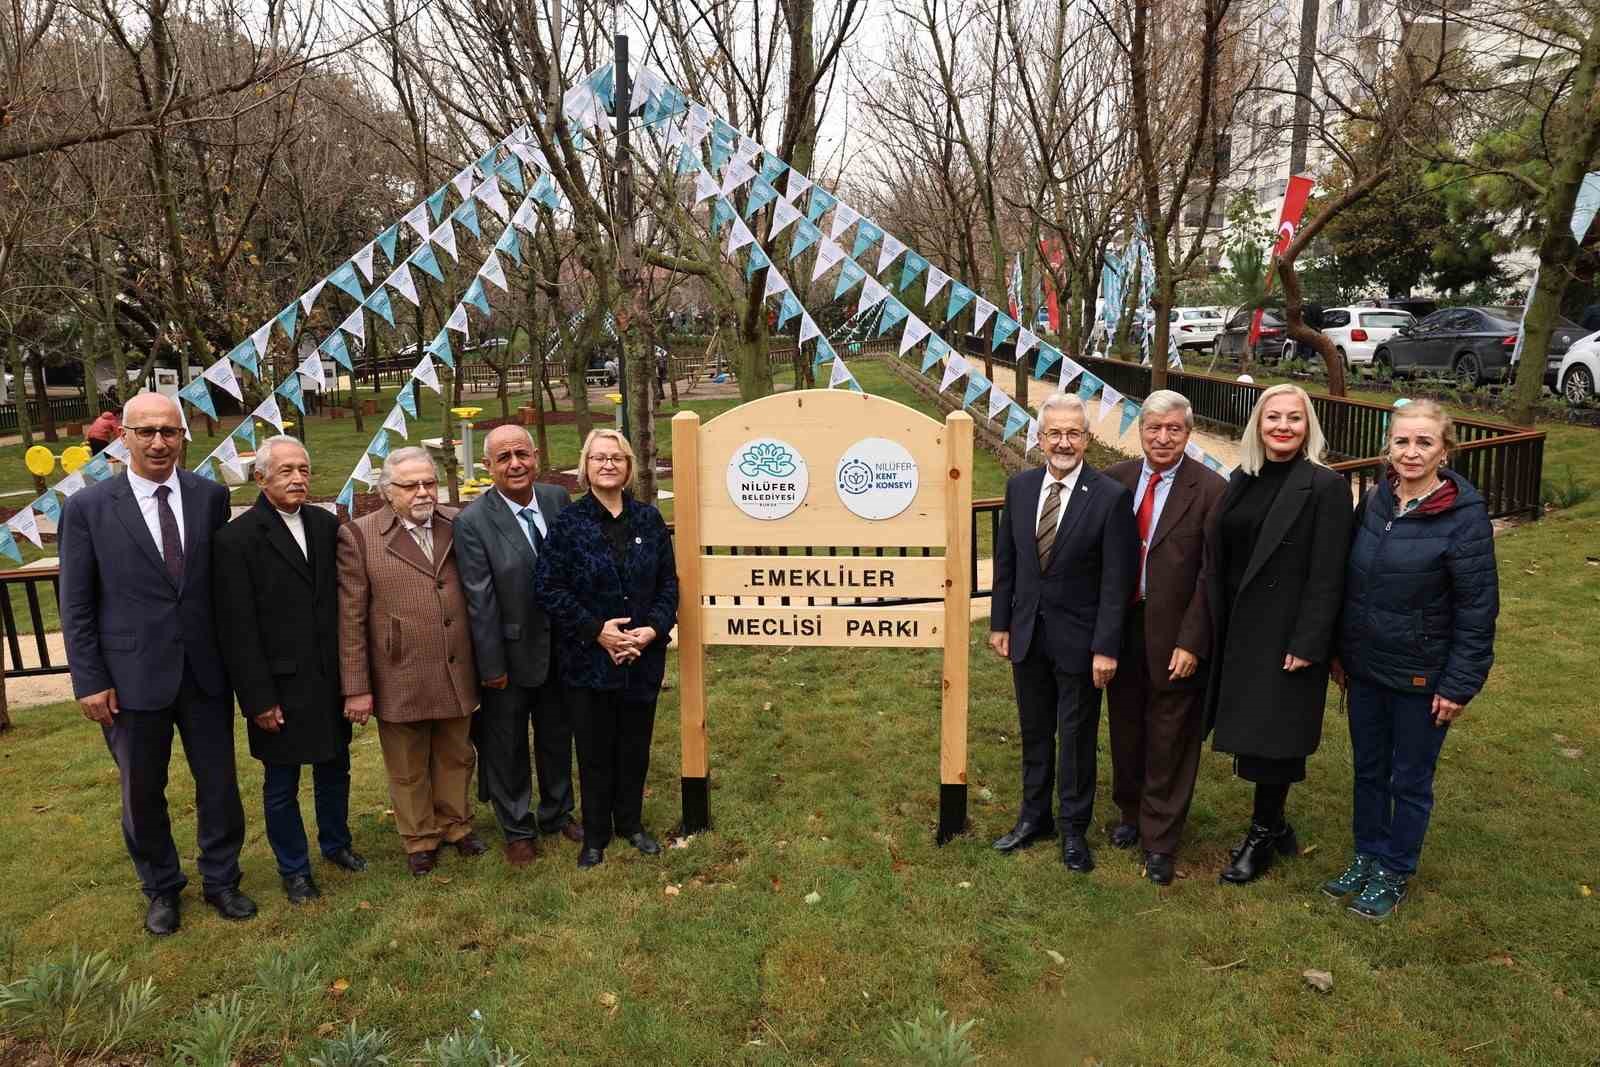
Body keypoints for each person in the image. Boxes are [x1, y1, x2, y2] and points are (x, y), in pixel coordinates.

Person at [57, 392, 253, 936]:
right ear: (124, 439)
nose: (159, 442)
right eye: (146, 432)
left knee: (218, 785)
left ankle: (222, 880)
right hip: (129, 678)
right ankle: (161, 887)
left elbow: (219, 587)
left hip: (204, 673)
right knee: (142, 793)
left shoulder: (210, 497)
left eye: (169, 431)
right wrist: (89, 680)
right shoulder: (88, 509)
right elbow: (75, 604)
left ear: (183, 436)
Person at [1326, 400, 1498, 919]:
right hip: (1367, 667)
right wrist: (1341, 650)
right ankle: (1367, 856)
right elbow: (1351, 582)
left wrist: (1458, 683)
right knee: (1369, 770)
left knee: (1410, 778)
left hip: (1423, 675)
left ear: (1445, 449)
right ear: (1388, 446)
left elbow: (1477, 608)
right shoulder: (1377, 500)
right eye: (1402, 441)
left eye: (1424, 442)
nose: (1411, 452)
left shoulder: (1463, 518)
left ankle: (1396, 869)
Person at [1204, 383, 1353, 885]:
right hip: (1241, 625)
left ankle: (1263, 834)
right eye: (1273, 418)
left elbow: (1330, 573)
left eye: (1294, 418)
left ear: (1308, 425)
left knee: (1276, 735)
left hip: (1286, 631)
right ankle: (1279, 825)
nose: (1283, 427)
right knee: (1255, 731)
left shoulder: (1326, 487)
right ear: (1258, 425)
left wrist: (1310, 640)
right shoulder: (1243, 477)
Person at [988, 392, 1140, 873]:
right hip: (1027, 633)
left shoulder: (1110, 498)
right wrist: (1000, 624)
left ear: (1087, 439)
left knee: (1075, 738)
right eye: (1054, 432)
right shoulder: (1020, 488)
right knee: (1035, 732)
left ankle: (1073, 828)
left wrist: (1105, 647)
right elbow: (1007, 564)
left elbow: (1118, 582)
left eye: (1074, 433)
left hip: (1081, 642)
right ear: (1039, 437)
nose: (1064, 442)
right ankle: (1034, 818)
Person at [212, 436, 365, 904]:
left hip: (328, 679)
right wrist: (258, 699)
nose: (298, 478)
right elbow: (237, 629)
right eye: (286, 471)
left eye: (303, 468)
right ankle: (294, 869)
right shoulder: (236, 540)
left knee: (334, 769)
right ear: (260, 478)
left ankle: (336, 844)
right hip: (278, 686)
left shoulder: (324, 523)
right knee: (282, 783)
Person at [336, 446, 484, 876]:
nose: (423, 492)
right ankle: (419, 837)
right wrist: (357, 685)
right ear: (387, 492)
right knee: (407, 762)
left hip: (456, 664)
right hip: (399, 669)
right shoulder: (360, 536)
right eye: (410, 485)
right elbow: (351, 616)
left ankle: (456, 825)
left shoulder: (458, 523)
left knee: (456, 754)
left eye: (429, 483)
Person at [535, 429, 677, 870]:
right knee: (594, 750)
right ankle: (595, 834)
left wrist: (652, 631)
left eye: (616, 457)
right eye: (599, 458)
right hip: (587, 659)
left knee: (635, 745)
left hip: (642, 657)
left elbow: (669, 584)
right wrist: (597, 630)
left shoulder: (649, 521)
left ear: (629, 466)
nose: (608, 464)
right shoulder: (569, 524)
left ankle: (631, 824)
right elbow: (549, 587)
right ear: (585, 467)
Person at [1104, 391, 1227, 885]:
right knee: (1126, 727)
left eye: (1174, 429)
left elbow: (1211, 576)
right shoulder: (1116, 483)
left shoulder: (1212, 490)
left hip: (1177, 632)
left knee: (1171, 735)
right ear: (1139, 431)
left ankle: (1161, 837)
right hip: (1124, 626)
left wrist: (1193, 641)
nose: (1163, 437)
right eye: (1154, 428)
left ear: (1188, 433)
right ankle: (1130, 813)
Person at [455, 425, 581, 866]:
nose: (515, 464)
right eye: (503, 457)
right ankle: (516, 827)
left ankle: (557, 811)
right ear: (488, 467)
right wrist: (491, 668)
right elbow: (479, 599)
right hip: (507, 656)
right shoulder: (472, 522)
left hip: (561, 650)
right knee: (506, 746)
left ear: (536, 456)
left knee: (555, 736)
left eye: (521, 454)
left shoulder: (556, 500)